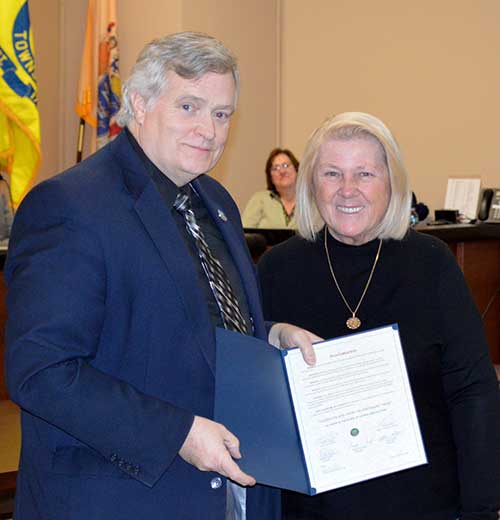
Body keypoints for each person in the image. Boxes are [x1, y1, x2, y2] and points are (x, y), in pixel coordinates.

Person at [4, 32, 319, 520]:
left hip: (233, 495)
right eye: (189, 107)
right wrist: (180, 435)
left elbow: (196, 324)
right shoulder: (69, 205)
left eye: (221, 114)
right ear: (139, 103)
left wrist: (269, 336)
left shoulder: (215, 202)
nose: (209, 130)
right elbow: (43, 373)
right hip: (124, 498)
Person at [258, 112, 500, 520]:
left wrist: (481, 507)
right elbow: (248, 379)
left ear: (392, 183)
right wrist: (269, 334)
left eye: (365, 174)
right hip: (311, 508)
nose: (347, 190)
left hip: (424, 503)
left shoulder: (431, 265)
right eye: (332, 173)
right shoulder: (276, 269)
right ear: (311, 184)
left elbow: (472, 391)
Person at [242, 148, 299, 229]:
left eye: (286, 165)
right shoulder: (260, 199)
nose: (282, 171)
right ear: (270, 177)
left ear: (296, 169)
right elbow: (243, 232)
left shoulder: (311, 201)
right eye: (276, 168)